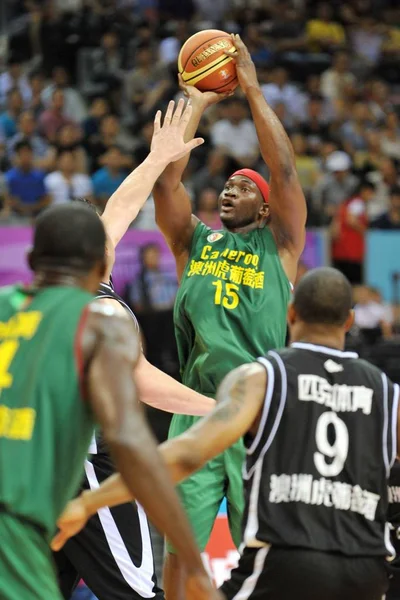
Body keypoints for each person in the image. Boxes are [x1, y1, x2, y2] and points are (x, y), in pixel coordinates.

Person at [54, 267, 397, 600]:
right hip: (366, 568)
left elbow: (186, 454)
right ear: (349, 321)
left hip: (288, 560)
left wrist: (89, 502)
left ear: (290, 314)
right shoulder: (387, 392)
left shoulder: (262, 379)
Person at [0, 202, 219, 600]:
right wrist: (192, 560)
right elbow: (134, 441)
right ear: (102, 263)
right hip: (83, 473)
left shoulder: (5, 307)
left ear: (33, 260)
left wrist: (155, 162)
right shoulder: (99, 321)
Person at [153, 34, 307, 599]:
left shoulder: (281, 245)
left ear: (265, 209)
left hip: (258, 417)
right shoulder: (194, 243)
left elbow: (284, 168)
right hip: (195, 410)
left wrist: (250, 87)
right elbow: (166, 183)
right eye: (225, 184)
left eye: (243, 187)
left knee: (263, 550)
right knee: (179, 547)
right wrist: (194, 100)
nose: (228, 190)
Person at [54, 100, 219, 600]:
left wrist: (155, 158)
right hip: (84, 468)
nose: (113, 235)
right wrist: (225, 410)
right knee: (137, 594)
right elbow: (146, 383)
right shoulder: (99, 310)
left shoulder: (53, 292)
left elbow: (121, 209)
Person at [4, 140, 50, 218]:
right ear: (16, 156)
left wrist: (29, 208)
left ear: (32, 155)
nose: (25, 157)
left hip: (36, 214)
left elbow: (45, 200)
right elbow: (8, 200)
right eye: (21, 154)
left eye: (27, 154)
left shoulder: (39, 176)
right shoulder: (9, 177)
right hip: (15, 215)